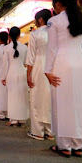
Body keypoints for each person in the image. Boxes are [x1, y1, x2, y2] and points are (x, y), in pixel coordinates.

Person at [45, 0, 82, 157]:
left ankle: (64, 146)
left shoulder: (54, 21)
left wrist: (47, 70)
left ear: (58, 4)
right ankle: (78, 145)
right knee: (78, 103)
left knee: (61, 104)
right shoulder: (81, 18)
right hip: (80, 63)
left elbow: (52, 48)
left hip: (62, 64)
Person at [26, 9, 53, 141]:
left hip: (39, 66)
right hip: (53, 67)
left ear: (40, 19)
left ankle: (38, 132)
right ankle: (51, 131)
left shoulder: (35, 34)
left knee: (36, 98)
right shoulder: (54, 32)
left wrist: (28, 74)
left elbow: (31, 56)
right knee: (49, 98)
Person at [1, 26, 29, 127]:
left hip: (11, 73)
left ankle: (13, 119)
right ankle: (22, 119)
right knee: (22, 96)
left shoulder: (6, 48)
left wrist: (3, 77)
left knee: (12, 96)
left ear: (9, 35)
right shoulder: (25, 47)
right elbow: (26, 62)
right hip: (22, 72)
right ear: (19, 35)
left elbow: (5, 64)